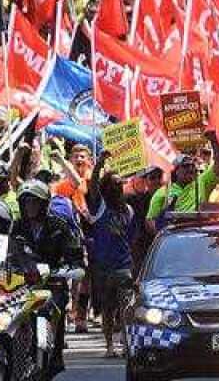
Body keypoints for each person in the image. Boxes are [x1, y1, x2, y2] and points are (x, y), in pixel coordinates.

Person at [11, 180, 85, 373]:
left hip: (51, 283)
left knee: (56, 305)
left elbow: (75, 256)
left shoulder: (59, 226)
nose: (30, 206)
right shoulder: (16, 227)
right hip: (22, 285)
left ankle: (56, 351)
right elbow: (5, 253)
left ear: (44, 203)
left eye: (34, 201)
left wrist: (70, 267)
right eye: (26, 202)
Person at [86, 153, 137, 358]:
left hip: (124, 266)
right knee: (107, 309)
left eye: (120, 184)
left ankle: (125, 344)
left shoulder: (129, 211)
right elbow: (92, 185)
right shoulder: (100, 206)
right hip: (103, 268)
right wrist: (99, 163)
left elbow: (132, 238)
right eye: (113, 184)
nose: (117, 188)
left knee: (126, 309)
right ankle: (109, 346)